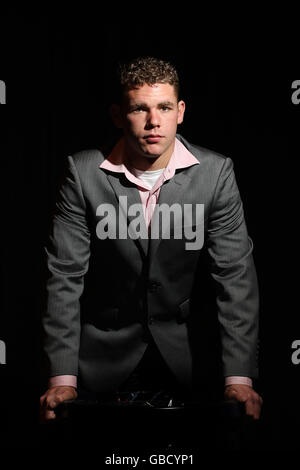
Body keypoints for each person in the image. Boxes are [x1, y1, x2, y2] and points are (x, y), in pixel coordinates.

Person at [40, 56, 262, 422]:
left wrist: (239, 377)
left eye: (164, 107)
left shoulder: (216, 173)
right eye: (139, 109)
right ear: (117, 115)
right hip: (101, 361)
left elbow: (235, 277)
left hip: (193, 361)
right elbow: (63, 277)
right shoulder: (81, 174)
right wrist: (62, 378)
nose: (154, 121)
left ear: (181, 111)